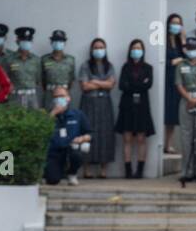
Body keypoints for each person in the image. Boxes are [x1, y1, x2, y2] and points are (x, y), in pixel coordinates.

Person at [114, 38, 154, 179]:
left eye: (138, 48)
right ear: (130, 51)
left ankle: (140, 170)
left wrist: (131, 85)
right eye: (134, 48)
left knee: (142, 138)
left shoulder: (148, 68)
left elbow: (148, 85)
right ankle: (128, 170)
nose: (136, 50)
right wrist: (138, 84)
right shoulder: (125, 67)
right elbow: (122, 86)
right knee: (127, 138)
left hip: (142, 106)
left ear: (142, 51)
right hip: (127, 105)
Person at [77, 38, 116, 177]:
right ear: (91, 50)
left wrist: (94, 81)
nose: (98, 50)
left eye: (101, 47)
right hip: (89, 102)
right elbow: (84, 86)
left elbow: (111, 84)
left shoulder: (109, 66)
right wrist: (102, 83)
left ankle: (103, 169)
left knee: (105, 134)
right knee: (87, 132)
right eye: (96, 47)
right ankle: (86, 169)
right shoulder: (85, 65)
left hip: (105, 103)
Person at [175, 36, 196, 185]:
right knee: (186, 137)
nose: (192, 51)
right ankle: (187, 171)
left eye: (195, 48)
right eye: (189, 49)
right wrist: (189, 99)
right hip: (186, 100)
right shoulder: (181, 65)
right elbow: (178, 84)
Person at [44, 86, 92, 186]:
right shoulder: (48, 115)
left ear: (68, 98)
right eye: (56, 97)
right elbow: (41, 131)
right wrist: (53, 113)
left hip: (71, 149)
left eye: (62, 96)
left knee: (77, 154)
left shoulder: (78, 114)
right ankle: (58, 171)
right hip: (54, 152)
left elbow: (90, 133)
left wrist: (82, 138)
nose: (59, 99)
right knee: (52, 180)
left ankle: (72, 173)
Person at [163, 13, 185, 154]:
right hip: (166, 77)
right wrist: (173, 62)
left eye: (178, 23)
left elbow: (187, 55)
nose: (175, 25)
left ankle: (168, 143)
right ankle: (162, 143)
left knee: (172, 115)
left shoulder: (179, 42)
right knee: (164, 112)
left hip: (177, 79)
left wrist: (183, 39)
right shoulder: (162, 40)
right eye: (173, 22)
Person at [6, 26, 41, 109]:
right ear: (17, 41)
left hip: (32, 98)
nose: (26, 42)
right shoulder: (8, 59)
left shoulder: (36, 60)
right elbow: (4, 79)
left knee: (33, 120)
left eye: (28, 40)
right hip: (15, 97)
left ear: (32, 41)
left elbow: (38, 80)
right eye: (23, 40)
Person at [41, 29, 76, 110]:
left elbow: (71, 80)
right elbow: (42, 80)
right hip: (49, 94)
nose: (58, 43)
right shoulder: (44, 59)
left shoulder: (71, 59)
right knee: (48, 117)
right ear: (51, 42)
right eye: (55, 40)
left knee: (65, 118)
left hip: (64, 94)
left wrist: (63, 90)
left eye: (60, 41)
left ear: (64, 43)